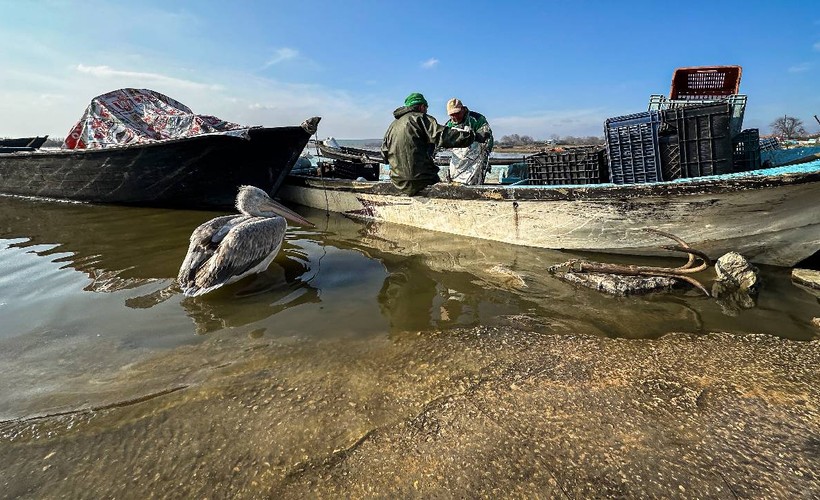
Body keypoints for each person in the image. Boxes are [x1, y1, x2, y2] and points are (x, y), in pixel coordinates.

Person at [382, 92, 475, 196]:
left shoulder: (392, 126)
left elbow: (384, 156)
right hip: (422, 178)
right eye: (426, 108)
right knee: (442, 187)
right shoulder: (421, 118)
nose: (426, 110)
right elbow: (443, 136)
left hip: (398, 181)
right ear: (422, 107)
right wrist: (470, 136)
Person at [443, 98, 494, 185]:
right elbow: (443, 141)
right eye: (452, 115)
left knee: (474, 181)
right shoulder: (449, 125)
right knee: (454, 180)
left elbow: (487, 137)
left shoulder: (477, 119)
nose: (455, 117)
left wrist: (485, 156)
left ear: (463, 109)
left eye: (457, 113)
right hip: (458, 159)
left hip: (476, 157)